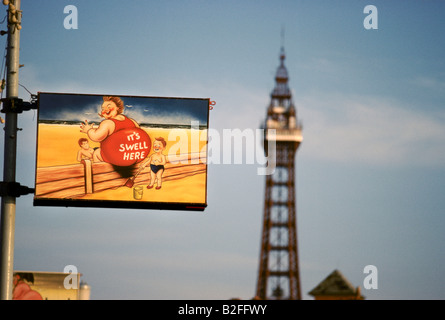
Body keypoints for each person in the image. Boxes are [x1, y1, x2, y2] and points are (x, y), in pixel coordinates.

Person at [80, 96, 139, 162]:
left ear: (117, 108)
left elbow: (96, 137)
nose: (105, 109)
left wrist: (89, 130)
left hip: (115, 158)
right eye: (102, 109)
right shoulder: (132, 121)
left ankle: (100, 171)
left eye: (109, 107)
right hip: (129, 156)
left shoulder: (107, 123)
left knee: (97, 153)